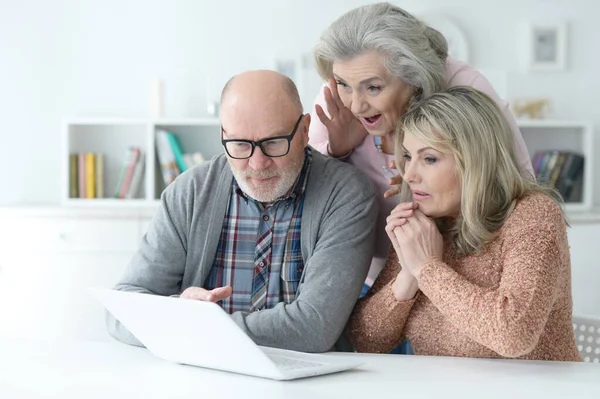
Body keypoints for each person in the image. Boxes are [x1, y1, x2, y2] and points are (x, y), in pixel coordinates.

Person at [106, 70, 378, 353]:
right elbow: (120, 310)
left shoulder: (346, 194)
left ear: (304, 130)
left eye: (273, 143)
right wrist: (180, 310)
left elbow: (315, 328)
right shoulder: (190, 192)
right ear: (223, 134)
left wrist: (194, 326)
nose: (257, 164)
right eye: (240, 144)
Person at [309, 2, 535, 290]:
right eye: (344, 84)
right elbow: (306, 199)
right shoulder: (337, 96)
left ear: (413, 78)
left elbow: (519, 187)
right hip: (366, 272)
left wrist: (429, 176)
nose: (355, 104)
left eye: (373, 88)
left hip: (456, 270)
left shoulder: (464, 87)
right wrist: (337, 151)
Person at [346, 86, 581, 362]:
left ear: (475, 162)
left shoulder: (532, 215)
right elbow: (365, 340)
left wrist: (428, 269)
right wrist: (408, 274)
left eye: (429, 158)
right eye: (408, 156)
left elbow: (513, 334)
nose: (409, 174)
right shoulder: (423, 224)